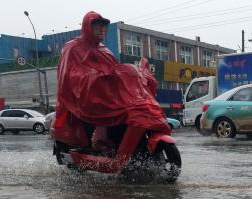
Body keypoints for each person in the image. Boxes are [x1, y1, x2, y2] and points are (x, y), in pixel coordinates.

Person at [56, 11, 169, 152]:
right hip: (88, 98)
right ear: (87, 26)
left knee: (132, 109)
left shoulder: (105, 51)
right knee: (107, 112)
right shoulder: (73, 47)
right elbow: (68, 75)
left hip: (108, 95)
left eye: (104, 26)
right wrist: (94, 76)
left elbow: (117, 72)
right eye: (97, 25)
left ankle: (126, 147)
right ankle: (100, 140)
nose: (102, 29)